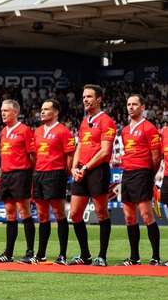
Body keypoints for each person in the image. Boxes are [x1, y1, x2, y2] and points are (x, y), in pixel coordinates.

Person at [69, 84, 116, 266]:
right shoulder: (84, 120)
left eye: (89, 96)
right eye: (83, 97)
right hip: (81, 170)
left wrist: (85, 168)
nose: (85, 100)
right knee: (74, 214)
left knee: (101, 212)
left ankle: (102, 256)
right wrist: (74, 167)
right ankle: (85, 255)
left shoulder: (106, 121)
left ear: (99, 99)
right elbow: (80, 146)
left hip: (97, 171)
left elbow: (105, 152)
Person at [116, 94, 161, 265]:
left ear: (142, 107)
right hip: (127, 173)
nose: (131, 107)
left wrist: (149, 174)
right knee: (129, 216)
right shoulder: (125, 130)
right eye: (128, 104)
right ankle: (134, 257)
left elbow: (156, 157)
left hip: (142, 173)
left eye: (135, 104)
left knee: (147, 215)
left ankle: (155, 256)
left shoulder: (149, 128)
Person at [0, 100, 36, 263]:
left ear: (15, 112)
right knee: (10, 212)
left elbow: (32, 156)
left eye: (6, 111)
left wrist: (28, 173)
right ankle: (8, 253)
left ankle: (30, 252)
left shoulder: (24, 130)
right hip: (6, 175)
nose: (3, 113)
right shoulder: (3, 131)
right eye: (2, 110)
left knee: (24, 211)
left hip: (21, 174)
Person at [31, 99, 75, 265]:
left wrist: (65, 172)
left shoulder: (63, 131)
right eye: (41, 109)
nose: (42, 112)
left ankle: (62, 255)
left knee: (58, 213)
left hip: (56, 174)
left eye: (46, 109)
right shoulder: (38, 131)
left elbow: (70, 154)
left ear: (56, 112)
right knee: (42, 215)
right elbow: (34, 155)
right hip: (39, 174)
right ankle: (41, 254)